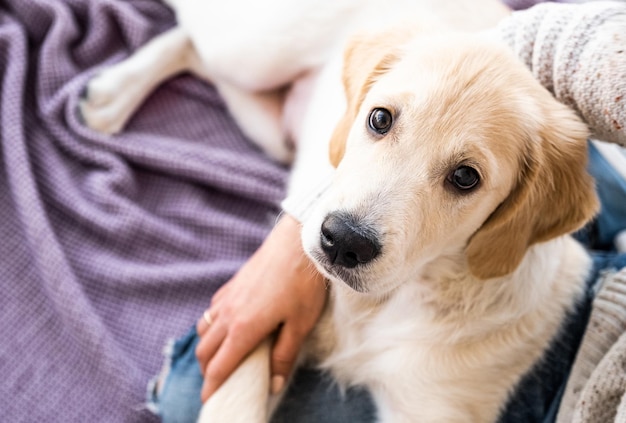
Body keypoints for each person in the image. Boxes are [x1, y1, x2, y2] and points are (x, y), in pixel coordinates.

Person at [147, 1, 626, 422]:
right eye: (381, 120)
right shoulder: (401, 50)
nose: (355, 227)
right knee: (238, 54)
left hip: (577, 368)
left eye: (464, 178)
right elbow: (551, 44)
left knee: (190, 396)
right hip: (601, 145)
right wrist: (292, 235)